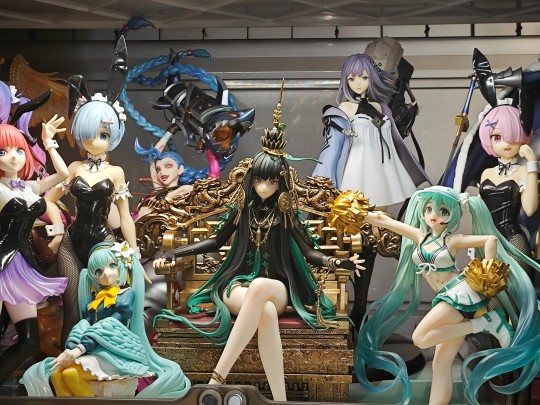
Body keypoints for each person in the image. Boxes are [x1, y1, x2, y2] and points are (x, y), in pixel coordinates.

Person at [153, 94, 363, 401]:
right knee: (263, 310)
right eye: (259, 181)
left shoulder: (286, 214)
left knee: (262, 288)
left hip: (277, 288)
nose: (264, 187)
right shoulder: (243, 209)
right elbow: (216, 241)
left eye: (272, 182)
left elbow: (308, 253)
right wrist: (175, 252)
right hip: (236, 285)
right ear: (251, 180)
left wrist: (335, 263)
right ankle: (279, 399)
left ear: (281, 183)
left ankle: (215, 381)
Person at [353, 186, 540, 405]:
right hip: (445, 298)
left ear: (453, 215)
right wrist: (357, 213)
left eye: (443, 211)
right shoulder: (420, 235)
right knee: (440, 365)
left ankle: (485, 324)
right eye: (429, 209)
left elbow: (490, 240)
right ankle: (486, 324)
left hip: (459, 294)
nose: (434, 216)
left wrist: (489, 268)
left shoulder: (452, 240)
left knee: (420, 338)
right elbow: (385, 221)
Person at [45, 83, 148, 346]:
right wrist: (57, 231)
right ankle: (67, 361)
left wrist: (134, 254)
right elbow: (49, 199)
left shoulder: (116, 172)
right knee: (72, 308)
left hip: (104, 245)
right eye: (88, 134)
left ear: (113, 135)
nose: (93, 141)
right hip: (71, 244)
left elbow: (125, 217)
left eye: (102, 135)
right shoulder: (74, 167)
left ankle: (102, 358)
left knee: (105, 306)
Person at [20, 242, 190, 399]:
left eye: (112, 266)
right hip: (94, 349)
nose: (106, 273)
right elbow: (85, 323)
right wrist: (72, 346)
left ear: (122, 267)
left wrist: (80, 349)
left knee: (70, 375)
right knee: (57, 376)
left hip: (114, 350)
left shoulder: (125, 295)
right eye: (98, 271)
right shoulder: (96, 300)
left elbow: (111, 324)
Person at [0, 83, 70, 385]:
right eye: (3, 151)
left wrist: (49, 143)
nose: (14, 157)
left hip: (20, 267)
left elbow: (64, 175)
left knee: (29, 341)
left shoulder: (28, 187)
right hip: (2, 264)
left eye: (19, 149)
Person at [312, 53, 429, 208]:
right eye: (351, 79)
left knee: (381, 209)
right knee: (355, 212)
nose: (357, 83)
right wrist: (321, 175)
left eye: (364, 77)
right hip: (357, 168)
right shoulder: (345, 108)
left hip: (384, 167)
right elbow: (333, 146)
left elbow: (393, 140)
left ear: (372, 77)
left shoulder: (381, 107)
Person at [478, 104, 538, 279]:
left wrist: (532, 163)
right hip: (485, 240)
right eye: (497, 137)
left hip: (512, 241)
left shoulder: (523, 172)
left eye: (512, 136)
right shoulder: (486, 173)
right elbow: (479, 211)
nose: (506, 143)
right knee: (487, 291)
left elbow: (530, 209)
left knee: (513, 290)